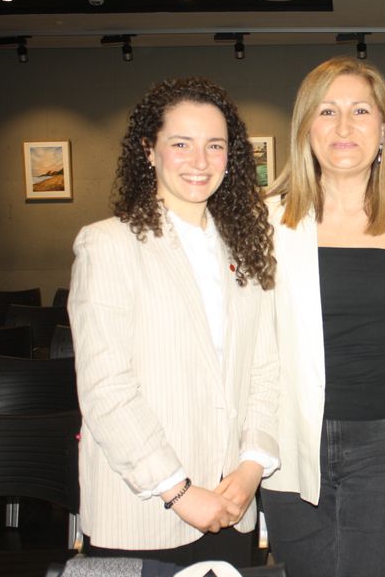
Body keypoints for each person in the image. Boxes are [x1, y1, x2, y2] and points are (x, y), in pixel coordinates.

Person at [260, 56, 385, 577]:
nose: (344, 127)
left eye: (360, 111)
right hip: (289, 435)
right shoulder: (267, 218)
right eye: (327, 111)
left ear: (383, 128)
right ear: (305, 128)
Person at [68, 77, 279, 567]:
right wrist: (178, 490)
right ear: (149, 150)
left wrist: (251, 467)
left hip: (230, 504)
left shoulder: (247, 248)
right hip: (142, 510)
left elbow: (266, 371)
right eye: (181, 144)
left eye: (215, 145)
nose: (200, 161)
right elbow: (106, 388)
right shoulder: (108, 245)